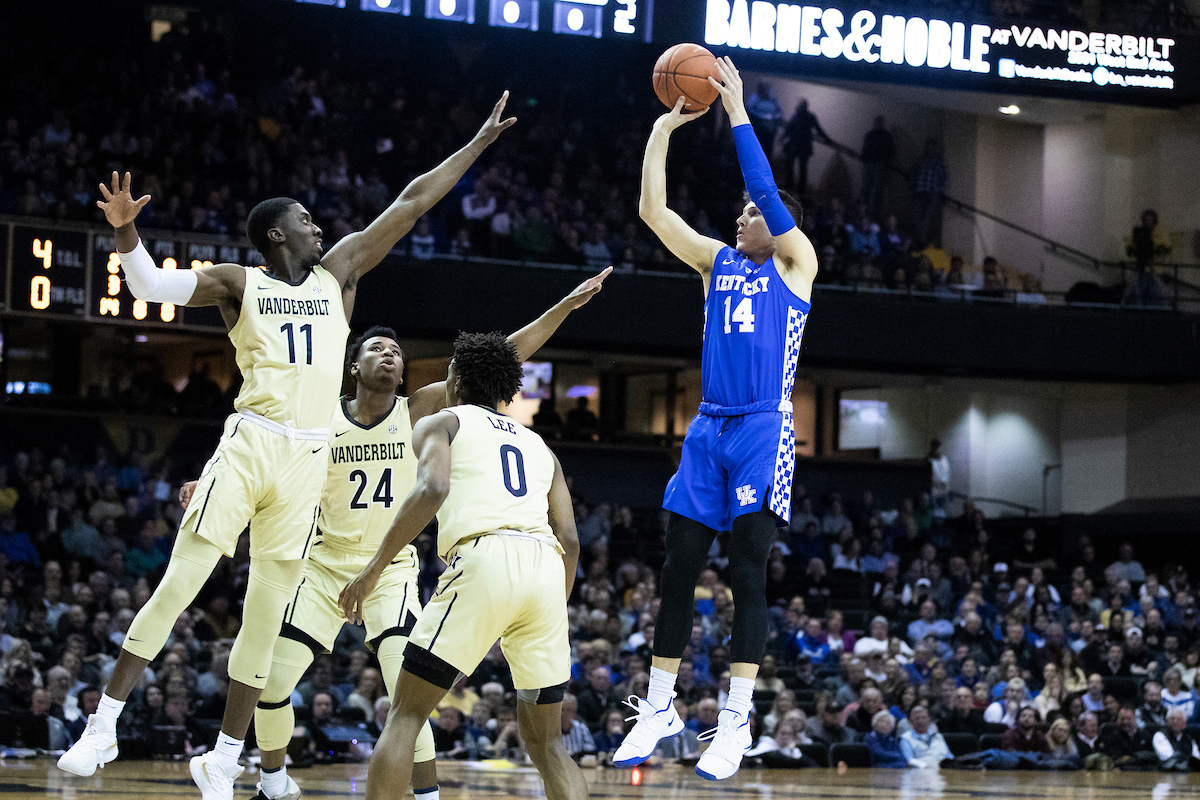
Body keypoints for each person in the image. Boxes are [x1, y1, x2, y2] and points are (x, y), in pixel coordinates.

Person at [56, 94, 518, 800]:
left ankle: (223, 756)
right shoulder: (238, 283)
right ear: (276, 236)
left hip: (309, 456)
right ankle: (103, 723)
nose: (318, 223)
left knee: (264, 616)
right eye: (305, 218)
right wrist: (125, 233)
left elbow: (412, 201)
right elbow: (148, 284)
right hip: (254, 441)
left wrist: (478, 143)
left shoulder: (339, 277)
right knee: (183, 581)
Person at [180, 273, 605, 800]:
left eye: (397, 351)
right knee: (275, 684)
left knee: (406, 707)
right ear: (352, 366)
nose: (390, 356)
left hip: (393, 567)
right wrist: (219, 481)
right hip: (328, 562)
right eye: (376, 348)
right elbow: (268, 448)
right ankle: (272, 782)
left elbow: (496, 360)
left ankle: (426, 795)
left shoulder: (425, 412)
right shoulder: (319, 415)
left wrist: (559, 309)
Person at [615, 57, 818, 782]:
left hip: (764, 428)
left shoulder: (797, 265)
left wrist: (734, 110)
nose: (742, 214)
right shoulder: (716, 264)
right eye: (738, 211)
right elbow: (653, 213)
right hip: (707, 428)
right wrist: (663, 130)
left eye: (753, 211)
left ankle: (735, 720)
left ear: (782, 223)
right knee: (677, 568)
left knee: (746, 572)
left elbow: (765, 186)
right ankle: (661, 704)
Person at [337, 331, 587, 800]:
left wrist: (373, 569)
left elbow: (431, 489)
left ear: (455, 378)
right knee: (548, 741)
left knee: (406, 715)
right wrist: (551, 602)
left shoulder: (444, 422)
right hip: (546, 571)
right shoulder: (541, 447)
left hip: (485, 556)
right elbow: (570, 540)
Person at [781, 100, 828, 194]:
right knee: (795, 167)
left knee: (801, 168)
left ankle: (797, 189)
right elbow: (790, 128)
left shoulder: (805, 116)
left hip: (800, 146)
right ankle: (793, 187)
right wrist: (783, 137)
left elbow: (818, 129)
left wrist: (827, 139)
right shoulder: (801, 116)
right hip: (797, 146)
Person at [911, 139, 947, 245]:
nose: (929, 150)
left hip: (932, 194)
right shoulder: (921, 159)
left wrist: (940, 192)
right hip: (919, 192)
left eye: (931, 147)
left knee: (925, 219)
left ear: (934, 148)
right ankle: (920, 240)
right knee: (918, 218)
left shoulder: (939, 161)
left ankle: (921, 241)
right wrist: (912, 186)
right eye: (927, 147)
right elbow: (914, 172)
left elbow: (943, 178)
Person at [860, 116, 894, 219]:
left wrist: (885, 162)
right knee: (867, 189)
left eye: (880, 123)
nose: (878, 125)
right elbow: (865, 148)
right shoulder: (870, 135)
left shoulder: (887, 136)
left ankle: (872, 214)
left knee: (876, 192)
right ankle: (863, 211)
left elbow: (891, 151)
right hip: (870, 164)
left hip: (879, 165)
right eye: (877, 123)